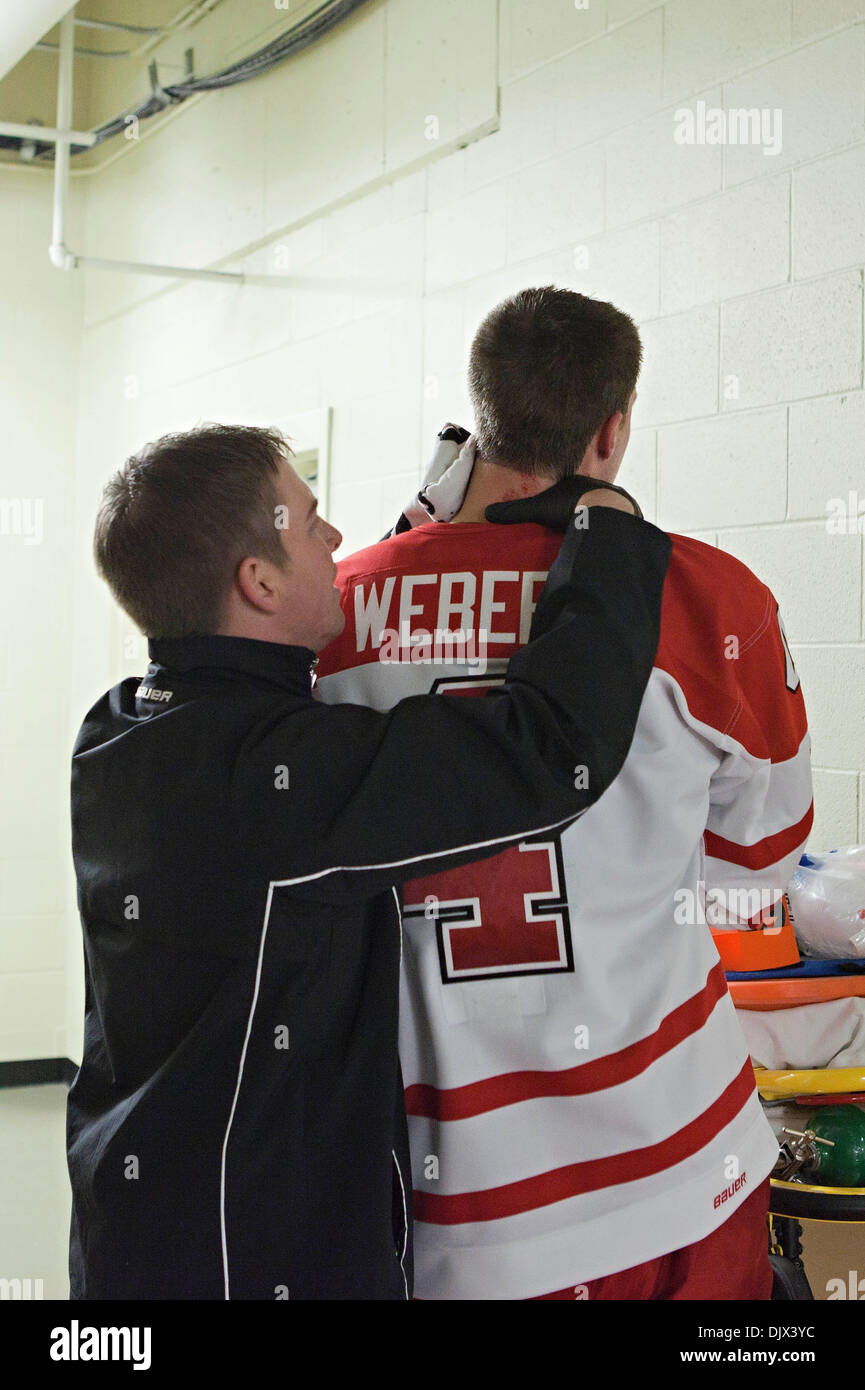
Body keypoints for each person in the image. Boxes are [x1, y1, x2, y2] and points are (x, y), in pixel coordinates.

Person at [67, 422, 669, 1300]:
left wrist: (429, 517)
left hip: (139, 1205)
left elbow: (284, 663)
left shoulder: (121, 722)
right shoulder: (277, 783)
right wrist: (608, 528)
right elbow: (550, 751)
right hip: (244, 1253)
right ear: (259, 582)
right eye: (313, 523)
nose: (338, 540)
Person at [315, 287, 813, 1301]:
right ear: (614, 427)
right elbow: (759, 860)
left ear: (479, 407)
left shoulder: (333, 612)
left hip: (461, 1202)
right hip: (684, 1170)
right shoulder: (712, 597)